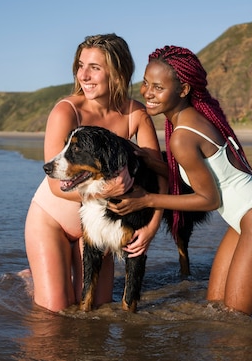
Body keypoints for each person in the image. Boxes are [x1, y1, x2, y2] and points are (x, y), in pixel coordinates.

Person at [108, 45, 252, 320]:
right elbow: (205, 175)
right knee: (217, 305)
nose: (148, 93)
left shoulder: (182, 136)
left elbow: (209, 199)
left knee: (240, 318)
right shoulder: (187, 121)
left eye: (158, 87)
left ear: (183, 90)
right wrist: (153, 164)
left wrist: (147, 199)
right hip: (247, 217)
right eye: (146, 84)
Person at [23, 34, 166, 312]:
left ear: (117, 72)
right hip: (52, 221)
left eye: (95, 68)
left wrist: (151, 227)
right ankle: (30, 281)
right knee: (55, 312)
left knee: (99, 309)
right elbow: (56, 185)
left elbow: (161, 175)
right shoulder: (67, 111)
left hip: (100, 228)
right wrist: (108, 190)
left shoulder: (134, 114)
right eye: (80, 65)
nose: (84, 75)